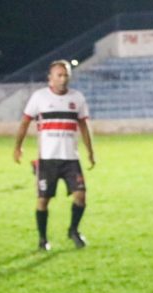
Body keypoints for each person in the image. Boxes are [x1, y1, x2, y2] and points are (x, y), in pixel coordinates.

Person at [13, 60, 95, 251]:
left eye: (66, 74)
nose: (63, 78)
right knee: (43, 200)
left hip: (71, 159)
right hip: (47, 160)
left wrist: (91, 151)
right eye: (59, 75)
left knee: (81, 196)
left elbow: (84, 126)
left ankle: (73, 230)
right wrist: (18, 147)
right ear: (50, 78)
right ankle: (43, 239)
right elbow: (25, 123)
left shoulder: (77, 98)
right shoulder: (39, 97)